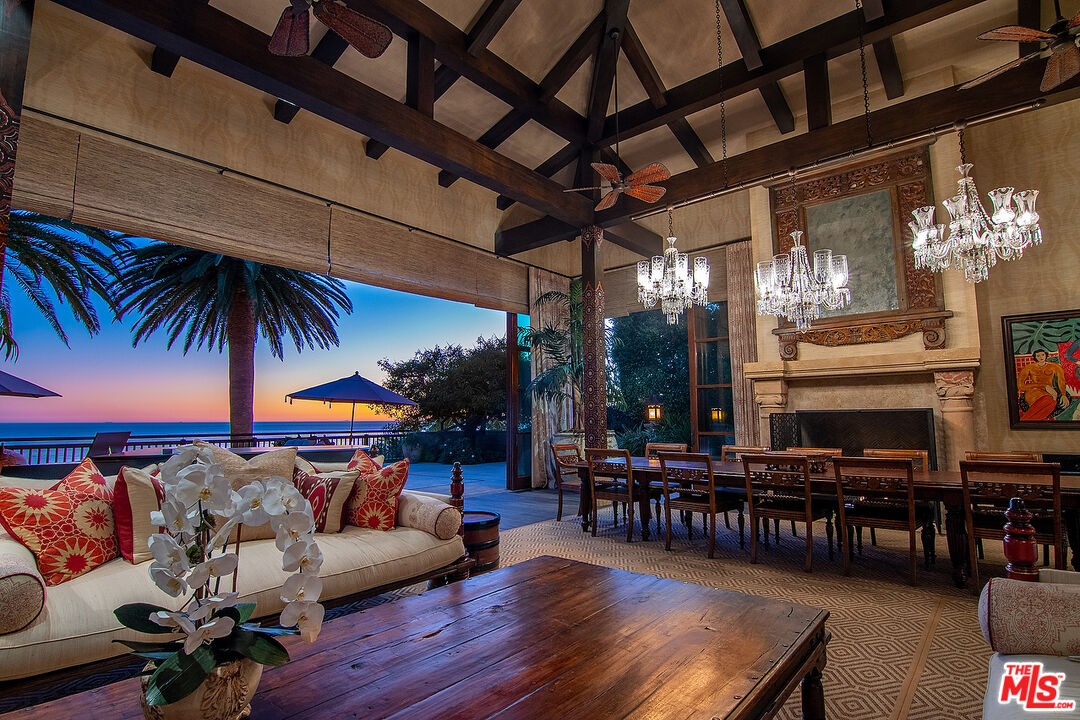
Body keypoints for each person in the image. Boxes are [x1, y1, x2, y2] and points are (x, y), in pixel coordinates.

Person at [1017, 349, 1069, 421]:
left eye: (1042, 355)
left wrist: (1063, 394)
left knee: (1053, 400)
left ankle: (1025, 420)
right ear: (1035, 357)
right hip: (1033, 392)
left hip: (1050, 392)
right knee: (1049, 399)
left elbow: (1061, 381)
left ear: (1046, 355)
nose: (1041, 357)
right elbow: (1020, 385)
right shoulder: (1029, 367)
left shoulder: (1055, 366)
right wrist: (1044, 386)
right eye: (1038, 356)